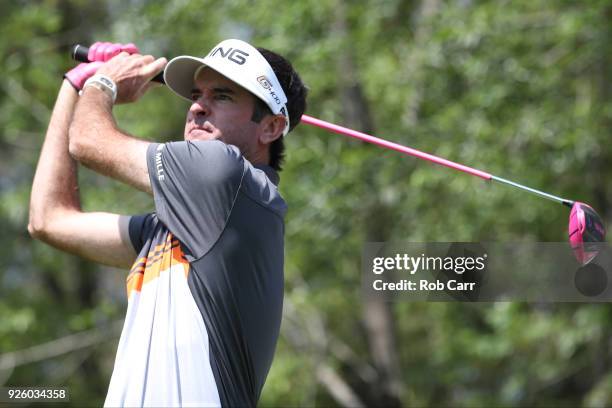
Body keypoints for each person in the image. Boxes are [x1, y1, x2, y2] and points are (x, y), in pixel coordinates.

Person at [28, 39, 307, 407]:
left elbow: (87, 141)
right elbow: (48, 219)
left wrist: (103, 84)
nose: (196, 107)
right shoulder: (173, 229)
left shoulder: (224, 174)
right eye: (196, 94)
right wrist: (74, 87)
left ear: (271, 126)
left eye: (221, 96)